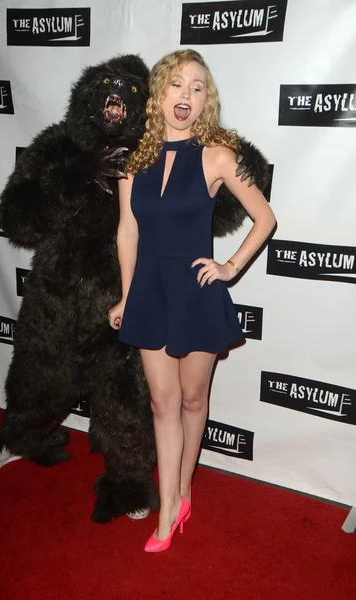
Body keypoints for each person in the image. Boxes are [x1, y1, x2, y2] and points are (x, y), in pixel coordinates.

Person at [108, 49, 276, 552]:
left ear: (207, 101)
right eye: (177, 84)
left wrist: (229, 267)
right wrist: (125, 293)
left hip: (196, 291)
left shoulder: (216, 156)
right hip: (149, 292)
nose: (186, 94)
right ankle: (167, 510)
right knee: (161, 402)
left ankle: (183, 491)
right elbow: (127, 233)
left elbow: (265, 219)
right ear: (160, 93)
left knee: (191, 399)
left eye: (197, 87)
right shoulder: (130, 158)